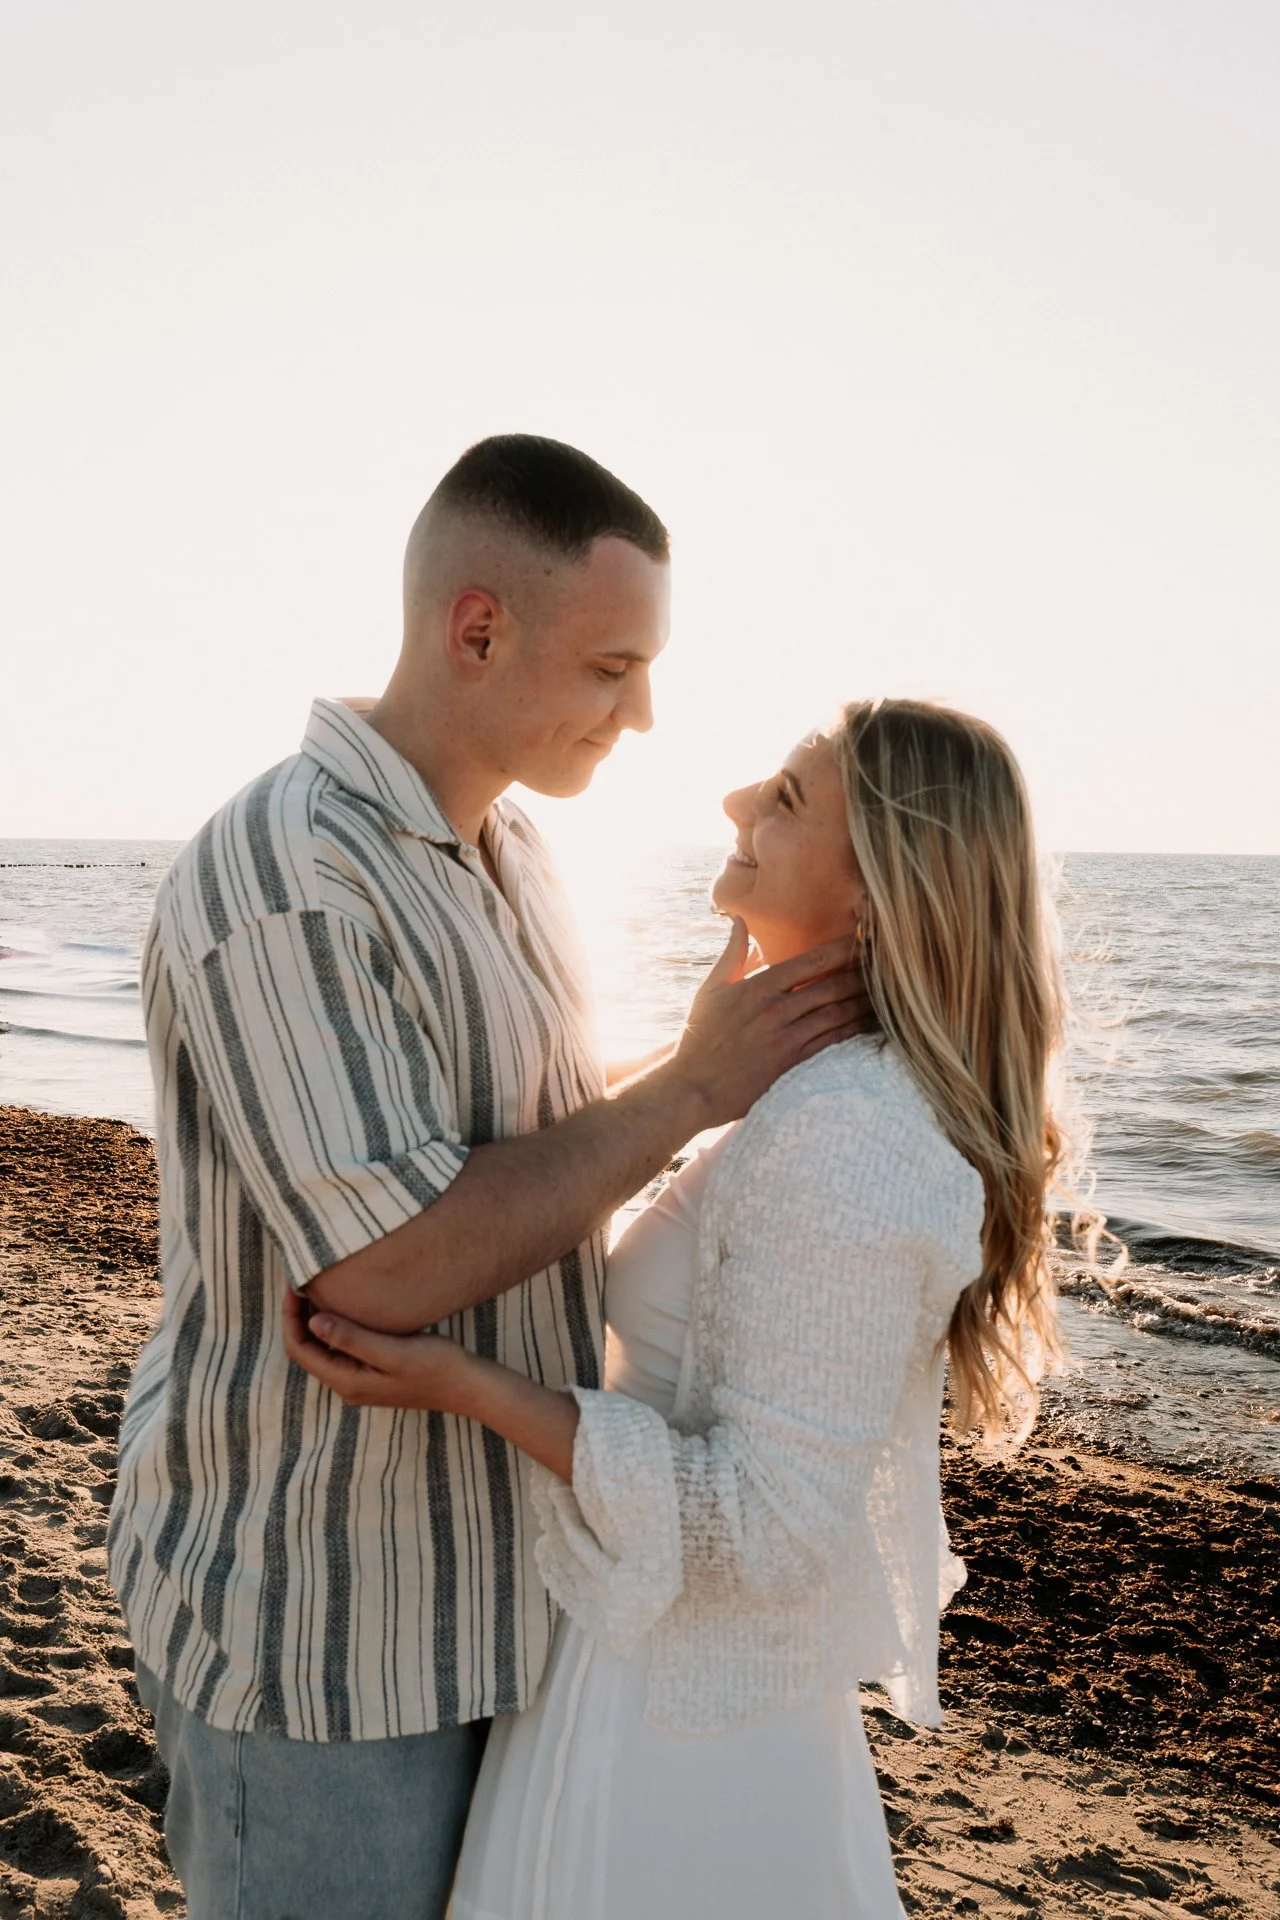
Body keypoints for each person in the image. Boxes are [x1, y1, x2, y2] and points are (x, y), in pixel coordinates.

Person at [108, 435, 870, 1920]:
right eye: (611, 668)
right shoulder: (287, 881)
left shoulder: (511, 843)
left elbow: (528, 1135)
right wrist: (694, 1089)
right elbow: (382, 1269)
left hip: (501, 1603)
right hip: (326, 1628)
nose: (642, 714)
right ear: (477, 630)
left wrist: (745, 1077)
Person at [285, 697, 1070, 1920]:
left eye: (787, 797)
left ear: (877, 896)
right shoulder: (807, 1091)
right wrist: (686, 1074)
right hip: (642, 1668)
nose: (735, 802)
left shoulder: (848, 1137)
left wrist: (465, 1386)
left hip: (675, 1743)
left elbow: (768, 1530)